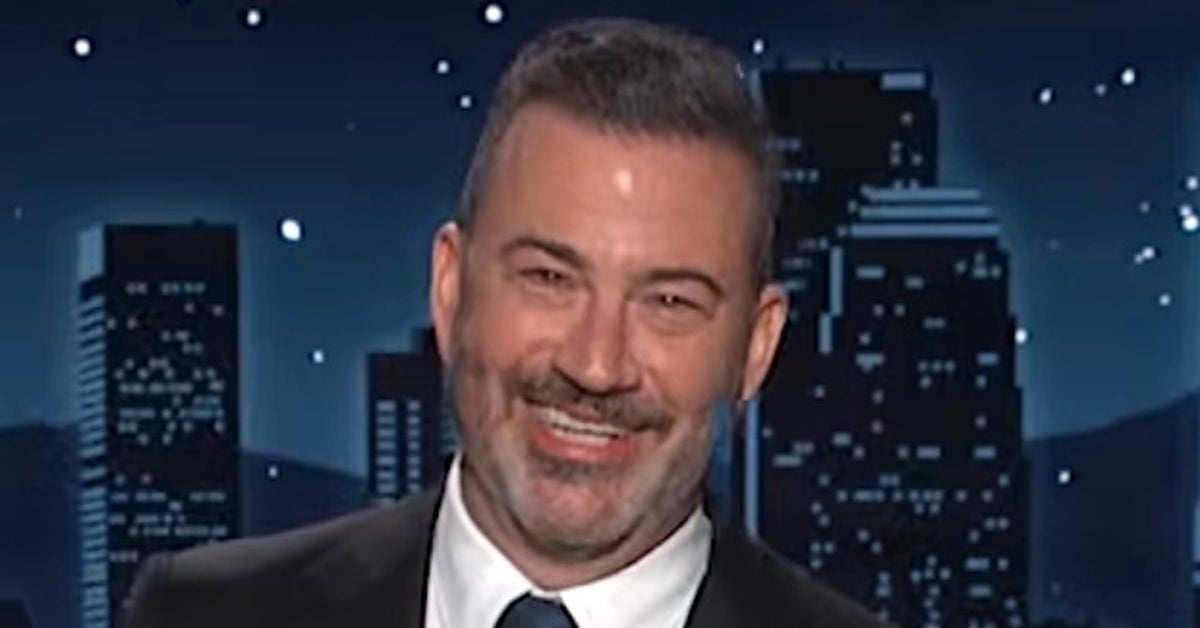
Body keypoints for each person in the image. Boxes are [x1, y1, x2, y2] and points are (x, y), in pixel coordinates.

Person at [120, 16, 891, 628]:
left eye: (669, 302)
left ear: (756, 347)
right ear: (452, 290)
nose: (596, 365)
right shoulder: (202, 613)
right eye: (550, 279)